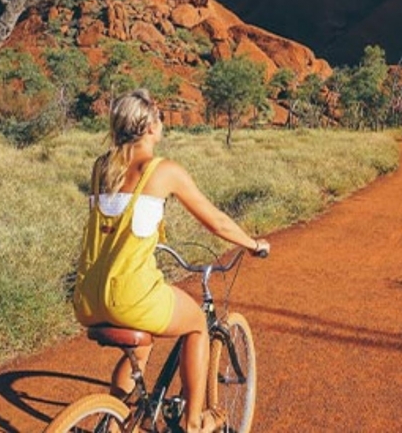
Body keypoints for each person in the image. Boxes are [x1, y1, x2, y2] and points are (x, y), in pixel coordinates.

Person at [73, 88, 270, 433]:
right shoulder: (163, 170)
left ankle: (114, 420)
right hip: (131, 296)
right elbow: (216, 222)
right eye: (160, 118)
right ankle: (193, 422)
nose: (162, 124)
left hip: (87, 297)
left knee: (141, 349)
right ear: (150, 126)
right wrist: (253, 244)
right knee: (196, 324)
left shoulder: (101, 167)